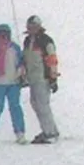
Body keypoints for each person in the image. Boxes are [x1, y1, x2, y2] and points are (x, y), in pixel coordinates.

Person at [0, 23, 27, 145]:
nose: (3, 38)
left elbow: (21, 63)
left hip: (13, 83)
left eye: (5, 35)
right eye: (0, 35)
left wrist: (20, 74)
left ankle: (20, 133)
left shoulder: (15, 48)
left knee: (15, 107)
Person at [22, 15, 61, 144]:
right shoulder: (27, 40)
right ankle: (51, 129)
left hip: (42, 77)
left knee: (42, 105)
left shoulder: (45, 41)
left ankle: (49, 133)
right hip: (32, 78)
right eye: (29, 27)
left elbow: (52, 59)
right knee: (35, 103)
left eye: (33, 27)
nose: (31, 29)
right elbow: (26, 59)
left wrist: (53, 77)